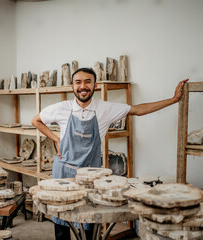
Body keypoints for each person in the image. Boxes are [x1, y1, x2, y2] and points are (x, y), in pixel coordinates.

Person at [31, 67, 188, 240]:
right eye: (78, 82)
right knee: (61, 220)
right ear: (72, 86)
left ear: (95, 85)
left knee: (91, 221)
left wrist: (174, 100)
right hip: (63, 172)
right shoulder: (61, 108)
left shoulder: (105, 109)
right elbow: (35, 120)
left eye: (87, 82)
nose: (83, 86)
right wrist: (56, 139)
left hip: (91, 174)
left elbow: (138, 110)